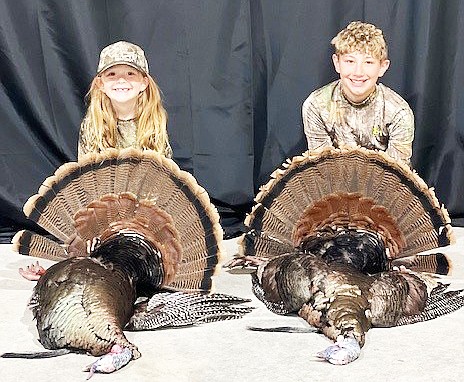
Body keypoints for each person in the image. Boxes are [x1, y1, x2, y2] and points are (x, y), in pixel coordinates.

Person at [302, 21, 414, 166]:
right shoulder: (316, 106)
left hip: (385, 185)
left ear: (382, 67)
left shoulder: (399, 113)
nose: (358, 72)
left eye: (368, 62)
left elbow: (397, 175)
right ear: (337, 63)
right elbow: (322, 169)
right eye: (350, 61)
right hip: (334, 184)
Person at [78, 41, 172, 159]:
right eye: (112, 74)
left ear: (144, 83)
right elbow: (87, 174)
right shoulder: (92, 127)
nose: (121, 80)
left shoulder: (155, 124)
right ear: (100, 83)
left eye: (130, 73)